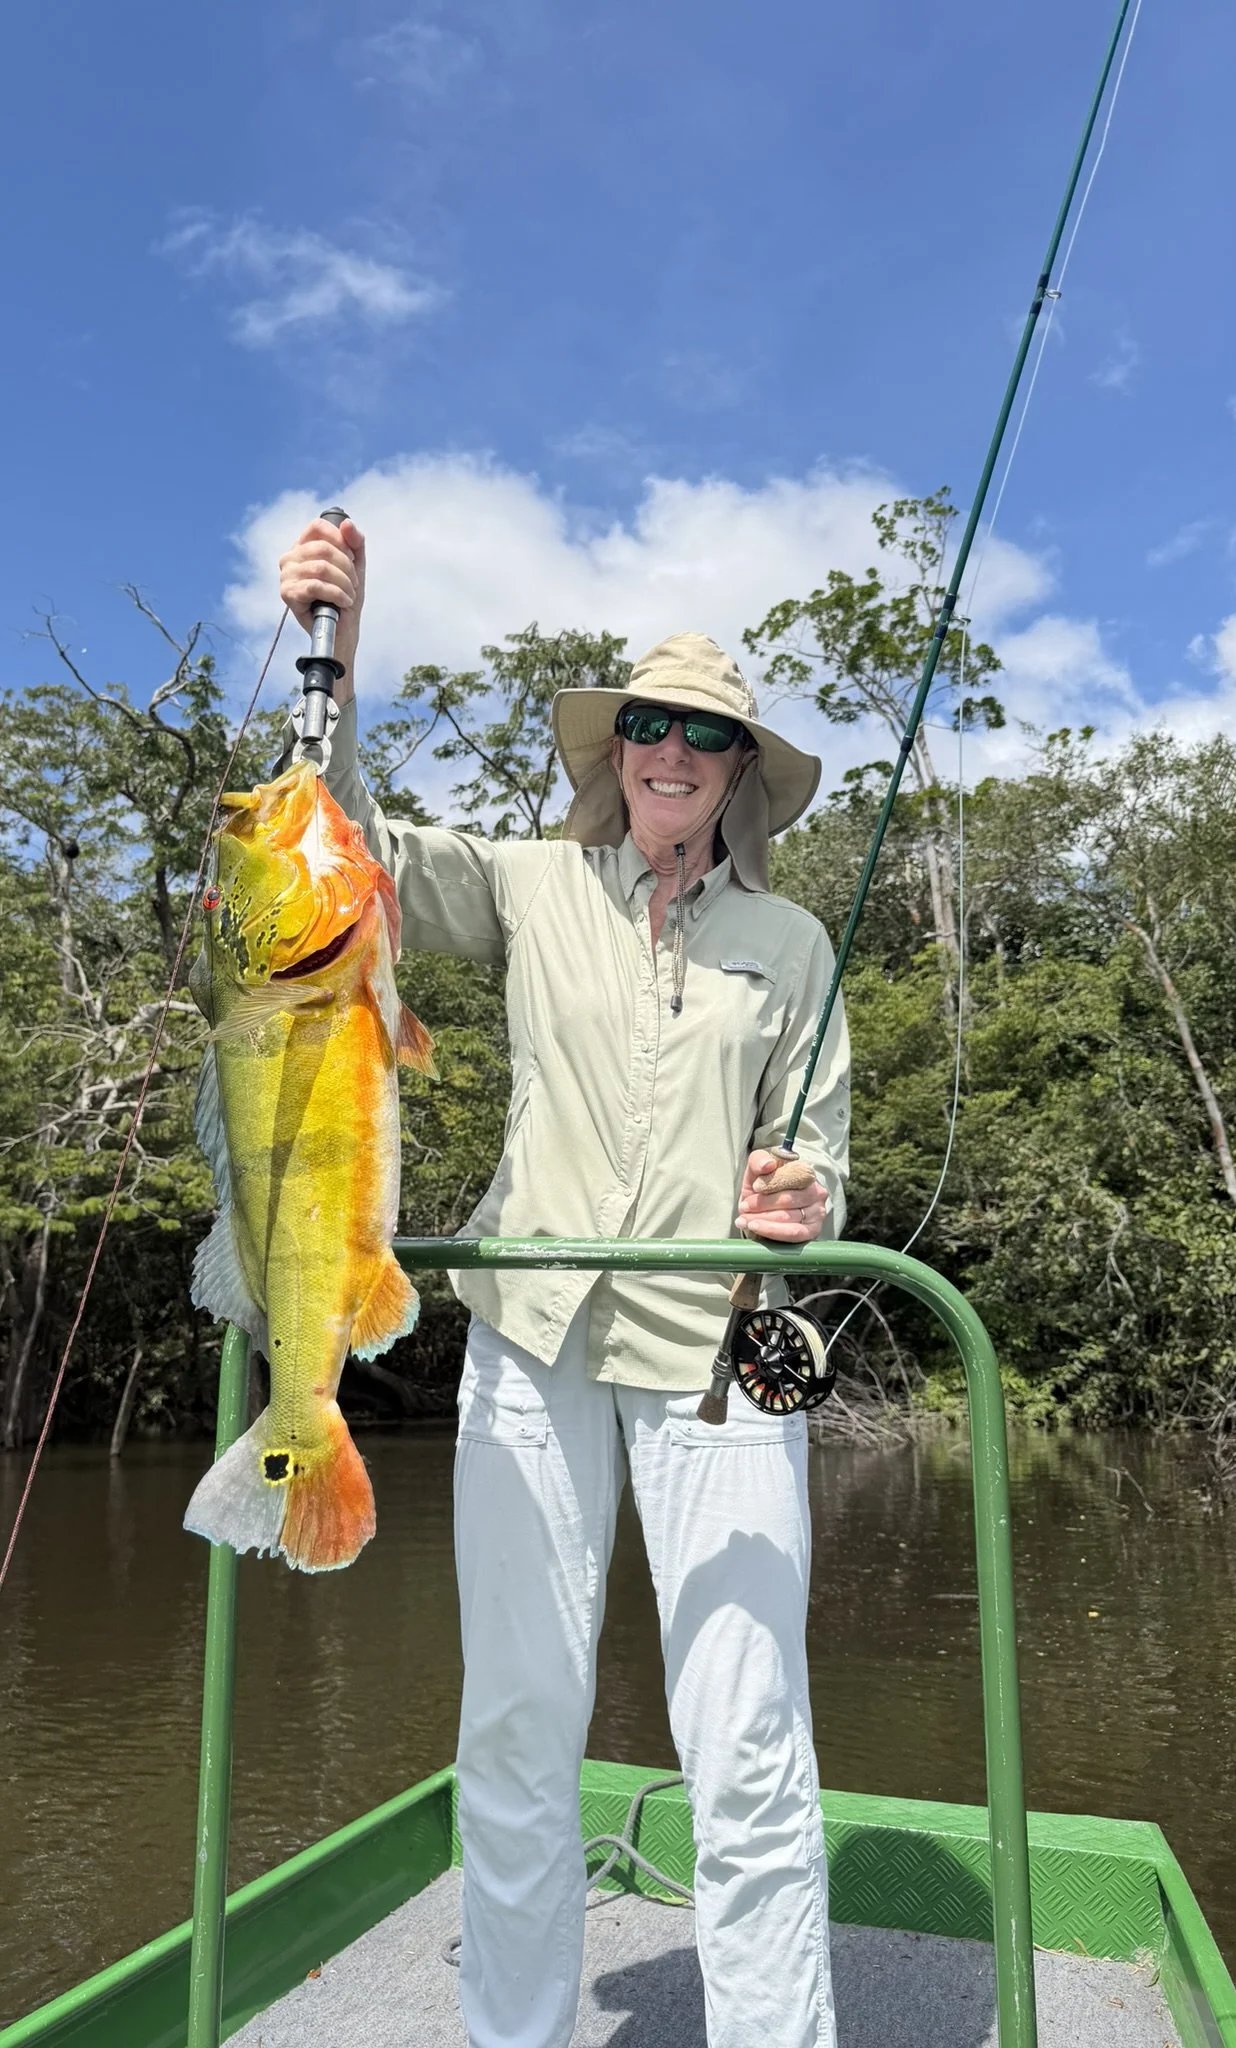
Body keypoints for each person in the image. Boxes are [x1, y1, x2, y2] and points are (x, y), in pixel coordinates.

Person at [279, 514, 850, 2048]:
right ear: (619, 755)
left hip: (718, 1361)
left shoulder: (793, 945)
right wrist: (339, 650)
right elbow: (354, 856)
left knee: (747, 1744)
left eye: (705, 734)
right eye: (648, 726)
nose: (671, 750)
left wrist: (802, 1195)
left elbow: (824, 1161)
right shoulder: (531, 884)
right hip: (528, 1345)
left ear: (735, 770)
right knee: (519, 1727)